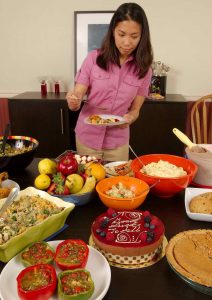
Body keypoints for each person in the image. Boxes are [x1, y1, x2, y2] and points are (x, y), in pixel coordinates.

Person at [66, 2, 153, 161]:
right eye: (121, 34)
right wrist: (74, 100)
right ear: (113, 31)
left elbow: (135, 110)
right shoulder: (94, 58)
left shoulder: (144, 69)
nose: (127, 43)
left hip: (118, 143)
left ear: (142, 36)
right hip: (87, 138)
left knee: (116, 185)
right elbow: (78, 92)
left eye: (134, 36)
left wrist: (131, 118)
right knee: (88, 183)